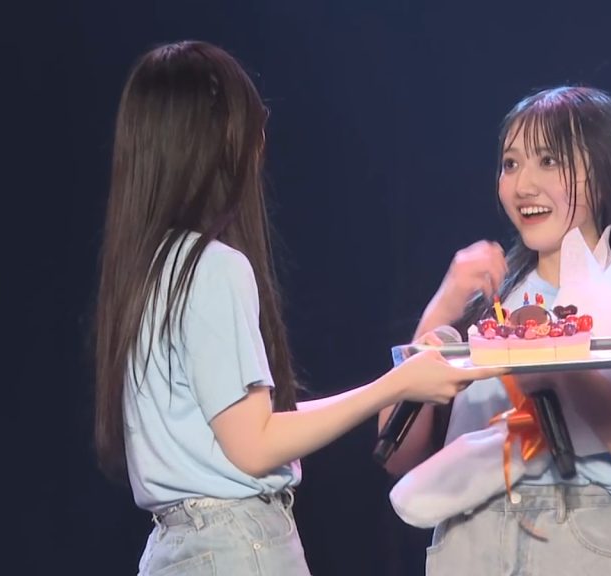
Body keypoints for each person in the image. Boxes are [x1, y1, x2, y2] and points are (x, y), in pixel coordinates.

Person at [93, 40, 505, 576]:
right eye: (254, 124)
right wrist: (396, 386)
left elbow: (252, 426)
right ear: (220, 137)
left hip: (175, 549)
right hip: (235, 547)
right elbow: (255, 446)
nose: (261, 144)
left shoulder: (150, 270)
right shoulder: (213, 267)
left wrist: (397, 382)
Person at [379, 86, 611, 575]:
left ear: (602, 174)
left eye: (549, 161)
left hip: (581, 537)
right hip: (467, 539)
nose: (523, 185)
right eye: (510, 164)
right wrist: (443, 307)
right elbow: (398, 455)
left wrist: (562, 369)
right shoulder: (486, 303)